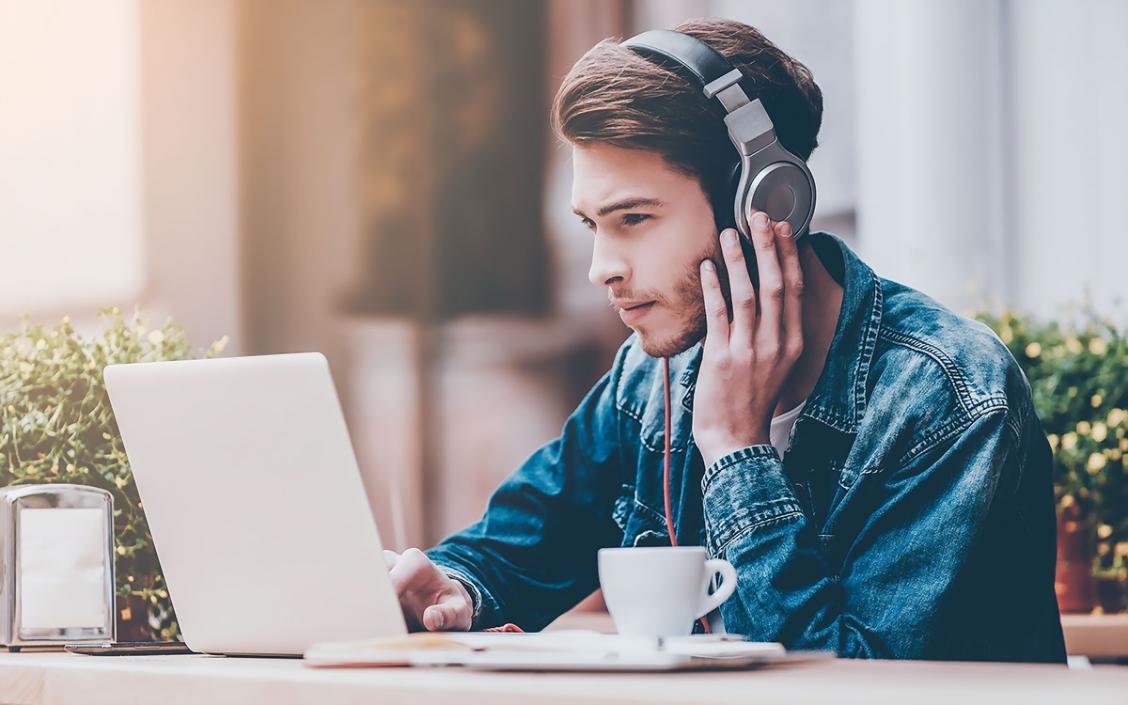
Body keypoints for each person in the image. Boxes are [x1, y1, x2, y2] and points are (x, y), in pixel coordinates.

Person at [382, 17, 1066, 662]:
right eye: (594, 224)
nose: (602, 269)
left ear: (767, 205)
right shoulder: (650, 380)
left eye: (634, 218)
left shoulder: (950, 403)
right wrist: (455, 588)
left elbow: (859, 687)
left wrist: (738, 451)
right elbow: (517, 547)